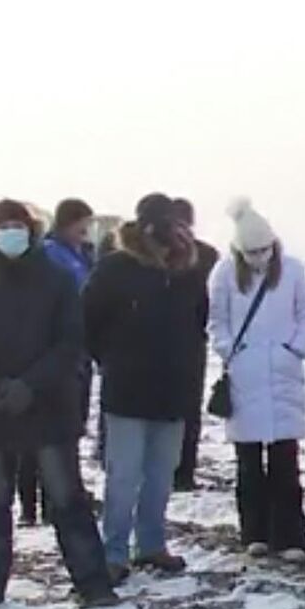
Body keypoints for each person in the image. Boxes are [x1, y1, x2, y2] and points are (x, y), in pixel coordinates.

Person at [0, 200, 118, 609]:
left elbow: (70, 339)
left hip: (49, 402)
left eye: (18, 225)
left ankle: (92, 582)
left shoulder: (55, 278)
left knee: (67, 496)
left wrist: (31, 384)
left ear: (32, 230)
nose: (12, 233)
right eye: (4, 226)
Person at [84, 193, 207, 583]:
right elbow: (88, 321)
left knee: (160, 472)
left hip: (174, 389)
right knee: (123, 474)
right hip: (128, 389)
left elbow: (199, 322)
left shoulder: (187, 271)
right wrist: (113, 359)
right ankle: (114, 551)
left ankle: (152, 543)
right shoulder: (115, 269)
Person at [209, 198, 305, 561]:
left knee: (285, 462)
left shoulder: (293, 271)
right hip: (246, 374)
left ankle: (291, 536)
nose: (260, 257)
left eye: (265, 249)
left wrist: (295, 348)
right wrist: (230, 351)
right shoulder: (224, 274)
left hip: (284, 373)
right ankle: (254, 532)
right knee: (248, 462)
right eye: (253, 251)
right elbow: (217, 321)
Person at [26, 197, 101, 526]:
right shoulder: (51, 254)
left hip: (78, 349)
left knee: (72, 424)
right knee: (49, 428)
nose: (87, 230)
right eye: (83, 223)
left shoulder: (79, 253)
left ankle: (68, 491)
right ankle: (46, 499)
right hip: (53, 351)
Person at [170, 198, 219, 492]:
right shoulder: (160, 254)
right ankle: (173, 468)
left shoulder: (206, 255)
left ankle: (184, 470)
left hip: (191, 340)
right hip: (167, 340)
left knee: (188, 409)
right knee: (169, 408)